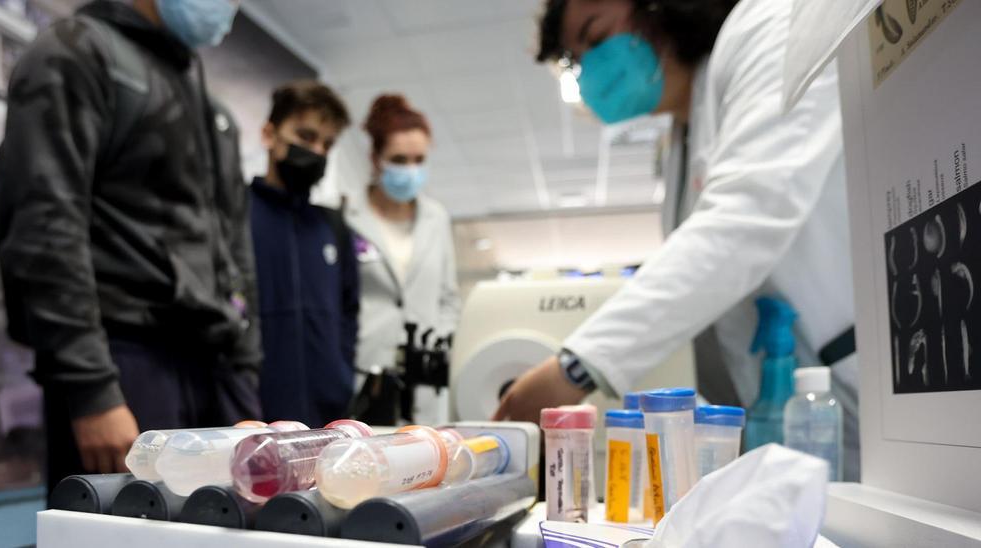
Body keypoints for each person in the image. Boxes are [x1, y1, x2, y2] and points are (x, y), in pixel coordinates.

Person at [494, 0, 859, 479]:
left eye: (596, 37)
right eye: (577, 59)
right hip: (778, 411)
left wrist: (575, 369)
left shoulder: (765, 25)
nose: (590, 71)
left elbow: (746, 217)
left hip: (848, 390)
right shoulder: (681, 138)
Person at [0, 0, 260, 495]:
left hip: (212, 362)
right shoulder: (76, 52)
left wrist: (244, 373)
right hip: (124, 360)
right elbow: (46, 223)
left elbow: (232, 245)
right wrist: (92, 389)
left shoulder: (206, 104)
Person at [250, 81, 358, 428]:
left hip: (325, 417)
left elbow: (348, 312)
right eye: (306, 136)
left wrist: (340, 376)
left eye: (327, 144)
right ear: (269, 134)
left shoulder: (334, 229)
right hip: (252, 414)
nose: (317, 151)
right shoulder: (234, 214)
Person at [347, 94, 460, 423]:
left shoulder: (436, 218)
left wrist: (436, 349)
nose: (410, 169)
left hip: (423, 380)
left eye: (419, 159)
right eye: (399, 159)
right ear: (375, 159)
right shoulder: (347, 216)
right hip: (363, 373)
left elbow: (449, 298)